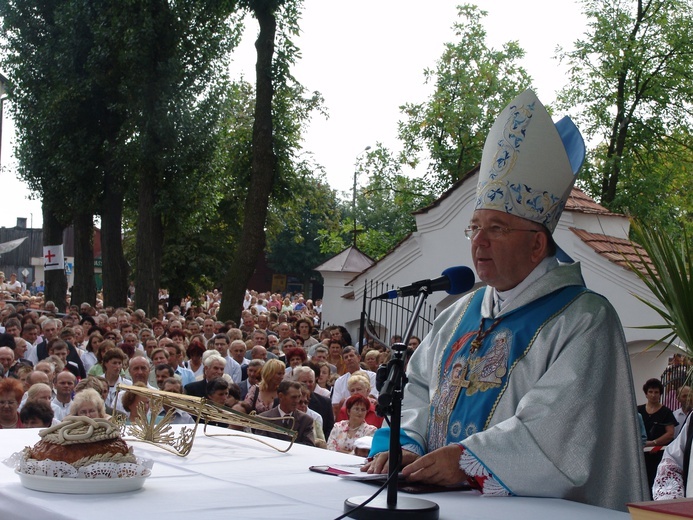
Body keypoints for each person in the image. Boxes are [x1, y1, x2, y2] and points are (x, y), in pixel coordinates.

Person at [364, 90, 647, 511]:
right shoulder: (459, 313)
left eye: (496, 228)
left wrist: (467, 461)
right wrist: (405, 446)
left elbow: (557, 431)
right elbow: (418, 389)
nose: (478, 241)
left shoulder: (584, 320)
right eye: (474, 227)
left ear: (537, 244)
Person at [638, 378, 678, 493]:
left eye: (656, 392)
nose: (653, 395)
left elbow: (670, 434)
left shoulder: (666, 412)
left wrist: (653, 443)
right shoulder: (638, 410)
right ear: (646, 394)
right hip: (641, 456)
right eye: (650, 392)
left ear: (660, 394)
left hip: (659, 456)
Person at [256, 380, 315, 447]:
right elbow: (260, 445)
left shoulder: (306, 420)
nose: (297, 401)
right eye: (293, 397)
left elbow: (309, 446)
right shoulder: (264, 419)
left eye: (299, 397)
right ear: (281, 396)